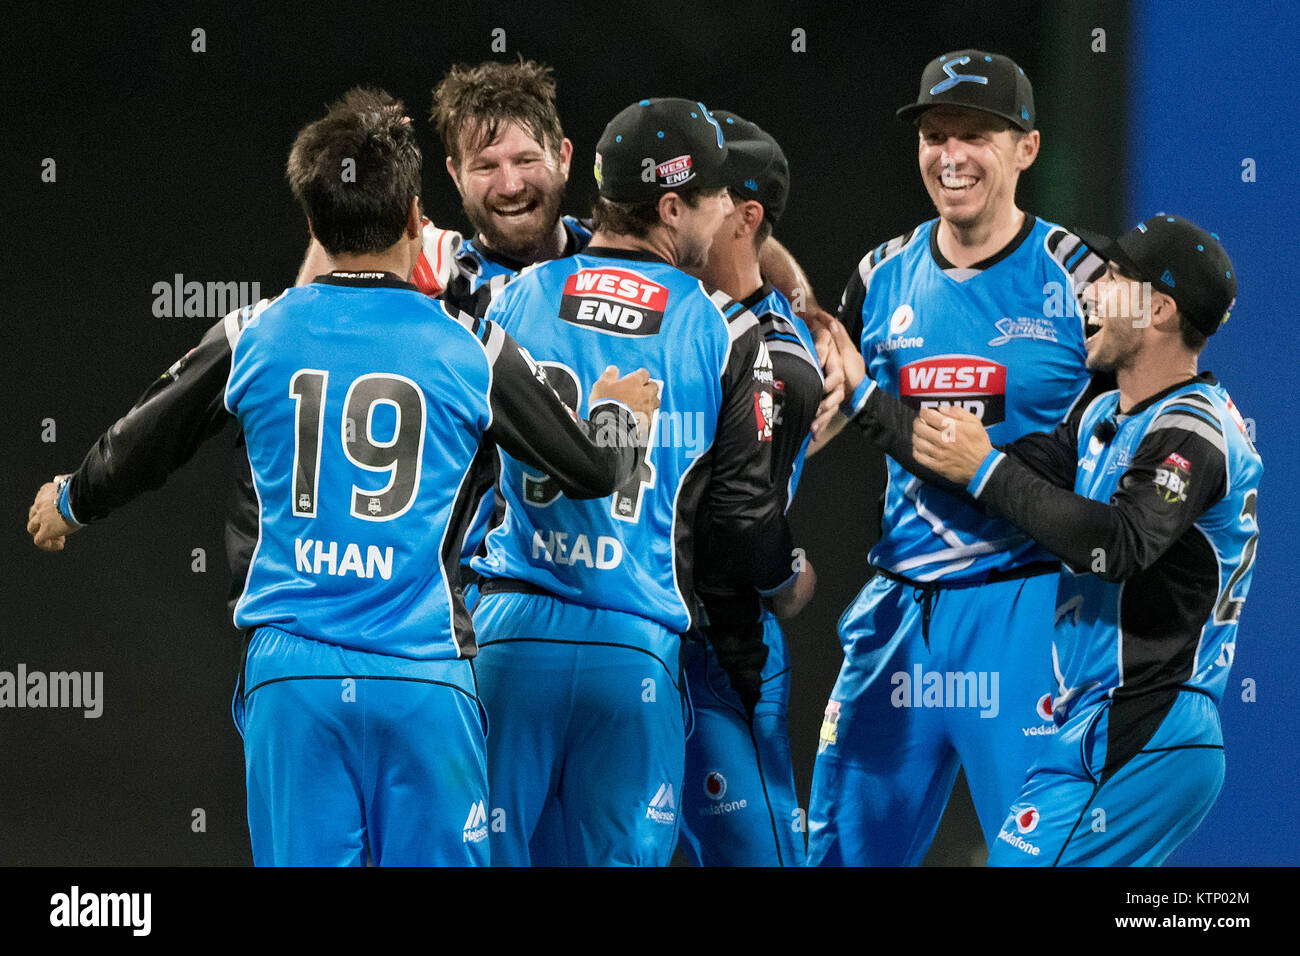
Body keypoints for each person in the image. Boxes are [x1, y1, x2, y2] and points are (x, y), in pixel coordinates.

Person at [28, 90, 659, 866]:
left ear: (311, 224)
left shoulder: (255, 333)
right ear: (414, 218)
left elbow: (142, 444)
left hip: (295, 681)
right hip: (424, 676)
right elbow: (589, 470)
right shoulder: (470, 347)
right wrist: (618, 413)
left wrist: (70, 501)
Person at [835, 214, 1259, 865]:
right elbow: (980, 478)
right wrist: (863, 401)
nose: (1090, 293)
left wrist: (985, 466)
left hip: (1147, 724)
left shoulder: (1192, 431)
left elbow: (1117, 545)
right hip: (1098, 725)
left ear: (1161, 311)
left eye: (1115, 280)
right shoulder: (1100, 417)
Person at [469, 97, 814, 866]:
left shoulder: (508, 298)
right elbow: (742, 516)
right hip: (633, 650)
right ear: (669, 207)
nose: (728, 209)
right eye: (716, 195)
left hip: (509, 634)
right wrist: (786, 580)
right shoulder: (725, 326)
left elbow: (458, 464)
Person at [806, 50, 1110, 866]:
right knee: (839, 855)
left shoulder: (1085, 280)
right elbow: (821, 414)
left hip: (1027, 612)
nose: (951, 156)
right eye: (935, 135)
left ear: (1028, 149)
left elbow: (1131, 427)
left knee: (1045, 859)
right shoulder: (878, 275)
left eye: (976, 136)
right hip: (901, 610)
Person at [676, 112, 822, 866]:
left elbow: (738, 526)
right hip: (629, 642)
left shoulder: (782, 359)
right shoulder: (657, 303)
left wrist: (784, 569)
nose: (664, 206)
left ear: (742, 214)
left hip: (718, 655)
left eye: (690, 190)